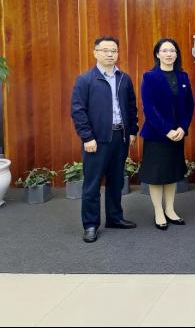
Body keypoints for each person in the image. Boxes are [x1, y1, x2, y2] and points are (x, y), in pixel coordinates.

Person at [70, 36, 139, 243]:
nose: (110, 54)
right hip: (96, 140)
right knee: (92, 184)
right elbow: (78, 111)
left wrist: (132, 130)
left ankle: (114, 218)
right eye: (105, 50)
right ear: (95, 53)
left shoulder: (124, 78)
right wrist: (87, 137)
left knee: (116, 181)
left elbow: (131, 107)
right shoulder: (85, 80)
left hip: (120, 137)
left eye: (114, 51)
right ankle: (90, 225)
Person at [138, 38, 194, 230]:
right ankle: (158, 212)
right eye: (165, 50)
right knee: (156, 175)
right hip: (157, 135)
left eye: (172, 51)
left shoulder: (183, 77)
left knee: (172, 173)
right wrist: (166, 130)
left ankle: (170, 209)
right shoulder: (150, 77)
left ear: (177, 54)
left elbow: (189, 105)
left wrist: (182, 128)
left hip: (177, 134)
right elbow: (149, 108)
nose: (169, 54)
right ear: (157, 54)